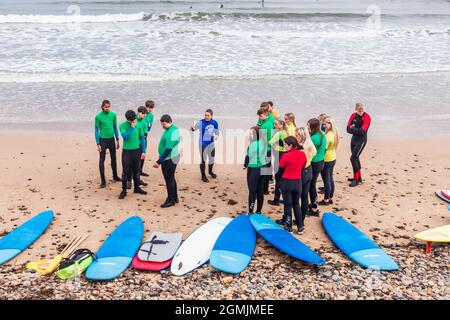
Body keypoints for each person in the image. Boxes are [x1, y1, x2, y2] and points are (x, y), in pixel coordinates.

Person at [276, 136, 307, 233]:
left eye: (285, 145)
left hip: (287, 183)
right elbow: (302, 169)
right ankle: (300, 227)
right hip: (298, 183)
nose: (284, 146)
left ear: (291, 145)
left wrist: (278, 185)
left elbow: (279, 173)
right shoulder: (303, 154)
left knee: (288, 205)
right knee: (296, 204)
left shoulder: (285, 156)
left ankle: (288, 227)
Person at [153, 115, 181, 208]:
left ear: (170, 121)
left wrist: (159, 161)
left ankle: (170, 200)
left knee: (169, 180)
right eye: (162, 123)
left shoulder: (170, 133)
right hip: (174, 156)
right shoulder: (175, 128)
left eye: (165, 123)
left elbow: (168, 149)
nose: (163, 125)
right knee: (171, 178)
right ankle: (175, 197)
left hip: (169, 159)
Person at [118, 110, 147, 199]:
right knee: (125, 172)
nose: (133, 121)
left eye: (134, 119)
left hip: (137, 151)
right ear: (127, 119)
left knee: (137, 171)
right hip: (127, 152)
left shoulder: (139, 125)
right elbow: (125, 137)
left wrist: (143, 151)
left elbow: (142, 138)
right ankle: (123, 190)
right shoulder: (122, 125)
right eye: (131, 120)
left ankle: (137, 188)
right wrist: (132, 127)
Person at [94, 100, 121, 188]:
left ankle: (115, 176)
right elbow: (96, 130)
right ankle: (103, 181)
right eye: (106, 107)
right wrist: (98, 143)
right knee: (102, 160)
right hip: (103, 140)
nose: (108, 108)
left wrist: (117, 139)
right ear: (102, 107)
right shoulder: (98, 117)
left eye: (109, 106)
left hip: (111, 139)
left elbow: (115, 127)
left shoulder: (113, 115)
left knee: (114, 158)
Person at [295, 127, 316, 231]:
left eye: (297, 135)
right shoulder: (310, 144)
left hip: (302, 172)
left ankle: (299, 222)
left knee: (297, 198)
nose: (295, 137)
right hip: (309, 170)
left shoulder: (301, 148)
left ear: (302, 136)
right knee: (304, 196)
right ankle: (301, 220)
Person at [244, 126, 268, 214]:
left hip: (254, 169)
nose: (249, 134)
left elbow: (248, 156)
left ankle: (250, 212)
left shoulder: (253, 144)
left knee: (252, 191)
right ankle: (259, 211)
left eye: (251, 133)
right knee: (260, 191)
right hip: (263, 167)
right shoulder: (264, 142)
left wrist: (245, 165)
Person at [191, 109, 219, 182]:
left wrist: (216, 136)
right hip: (202, 144)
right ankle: (203, 176)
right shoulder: (200, 122)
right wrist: (192, 128)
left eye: (208, 115)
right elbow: (194, 129)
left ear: (211, 116)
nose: (206, 117)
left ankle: (210, 172)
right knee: (203, 160)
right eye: (205, 115)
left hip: (211, 143)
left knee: (212, 159)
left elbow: (217, 132)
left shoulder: (215, 122)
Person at [347, 103, 371, 187]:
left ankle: (356, 180)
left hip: (361, 141)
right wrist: (355, 129)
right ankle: (359, 177)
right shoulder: (353, 115)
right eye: (359, 110)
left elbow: (362, 131)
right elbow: (347, 129)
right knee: (355, 158)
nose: (361, 111)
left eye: (362, 109)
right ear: (356, 109)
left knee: (353, 158)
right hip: (354, 140)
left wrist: (353, 128)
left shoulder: (367, 117)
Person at [307, 118, 326, 216]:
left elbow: (306, 149)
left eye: (309, 126)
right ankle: (314, 205)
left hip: (315, 162)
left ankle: (314, 208)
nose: (308, 127)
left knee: (311, 185)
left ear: (313, 127)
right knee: (312, 185)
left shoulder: (314, 138)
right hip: (321, 161)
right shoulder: (322, 133)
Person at [319, 117, 340, 205]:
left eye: (326, 124)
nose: (324, 126)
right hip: (332, 157)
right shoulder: (335, 133)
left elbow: (324, 149)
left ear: (330, 124)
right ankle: (330, 197)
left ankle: (326, 199)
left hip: (327, 159)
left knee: (326, 180)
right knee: (330, 178)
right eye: (323, 124)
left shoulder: (328, 136)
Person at [267, 119, 288, 206]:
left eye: (276, 124)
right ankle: (284, 198)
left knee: (278, 178)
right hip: (285, 153)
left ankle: (276, 200)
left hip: (280, 155)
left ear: (281, 125)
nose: (274, 126)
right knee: (283, 178)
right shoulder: (285, 132)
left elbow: (270, 142)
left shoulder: (279, 133)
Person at [256, 108, 274, 194]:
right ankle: (265, 189)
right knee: (267, 169)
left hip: (265, 149)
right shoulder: (270, 122)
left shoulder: (264, 125)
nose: (259, 117)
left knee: (264, 170)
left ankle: (264, 189)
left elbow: (260, 139)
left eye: (261, 116)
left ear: (266, 115)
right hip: (269, 148)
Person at [140, 100, 155, 177]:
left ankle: (140, 170)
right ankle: (135, 171)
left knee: (143, 153)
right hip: (139, 135)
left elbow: (150, 127)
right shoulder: (141, 113)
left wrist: (147, 129)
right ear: (145, 106)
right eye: (148, 107)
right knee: (137, 154)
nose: (149, 109)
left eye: (151, 108)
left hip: (145, 135)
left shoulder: (151, 116)